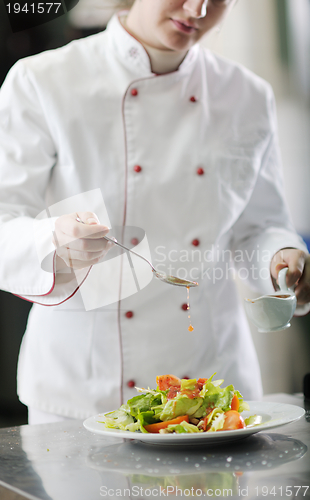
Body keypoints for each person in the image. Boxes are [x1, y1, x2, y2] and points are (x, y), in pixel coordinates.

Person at [0, 0, 309, 425]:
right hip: (85, 391)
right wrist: (54, 239)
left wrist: (281, 260)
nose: (198, 8)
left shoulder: (247, 94)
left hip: (213, 384)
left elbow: (260, 225)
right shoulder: (42, 81)